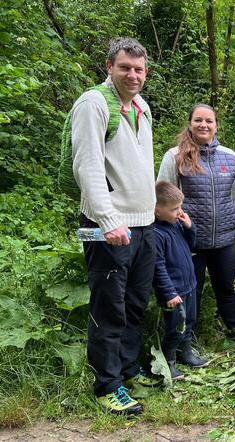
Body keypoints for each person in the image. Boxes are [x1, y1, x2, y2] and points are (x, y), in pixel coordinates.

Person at [70, 37, 158, 415]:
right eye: (125, 67)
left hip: (144, 226)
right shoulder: (94, 103)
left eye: (139, 69)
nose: (132, 75)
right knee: (109, 308)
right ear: (109, 66)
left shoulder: (141, 106)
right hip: (110, 228)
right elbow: (86, 166)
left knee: (136, 304)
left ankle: (126, 370)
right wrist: (107, 221)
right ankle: (107, 386)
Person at [157, 104, 235, 344]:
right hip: (189, 240)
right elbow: (161, 195)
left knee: (226, 288)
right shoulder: (174, 156)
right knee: (192, 290)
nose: (204, 125)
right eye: (198, 120)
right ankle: (188, 340)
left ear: (216, 125)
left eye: (209, 121)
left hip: (223, 238)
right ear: (190, 123)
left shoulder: (229, 157)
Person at [151, 181, 208, 381]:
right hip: (174, 292)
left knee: (189, 321)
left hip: (189, 285)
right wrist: (168, 293)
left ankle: (187, 354)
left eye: (180, 207)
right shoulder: (156, 234)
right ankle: (170, 361)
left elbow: (191, 244)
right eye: (174, 209)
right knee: (176, 326)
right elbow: (157, 266)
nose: (179, 212)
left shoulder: (175, 225)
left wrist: (189, 226)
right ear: (157, 211)